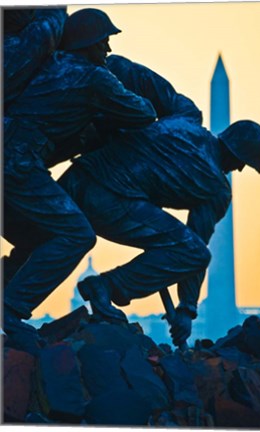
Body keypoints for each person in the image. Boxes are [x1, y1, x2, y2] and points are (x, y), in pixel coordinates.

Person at [4, 55, 260, 347]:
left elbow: (135, 74)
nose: (240, 170)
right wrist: (186, 310)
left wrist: (101, 62)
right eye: (244, 164)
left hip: (79, 176)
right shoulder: (216, 189)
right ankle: (106, 287)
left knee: (58, 237)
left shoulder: (185, 114)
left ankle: (11, 285)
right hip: (111, 201)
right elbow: (195, 248)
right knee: (192, 252)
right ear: (241, 160)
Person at [3, 10, 156, 355]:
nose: (108, 47)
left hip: (13, 156)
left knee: (40, 237)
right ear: (86, 43)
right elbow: (142, 112)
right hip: (17, 162)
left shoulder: (47, 65)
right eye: (103, 40)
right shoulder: (92, 79)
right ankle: (11, 310)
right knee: (77, 234)